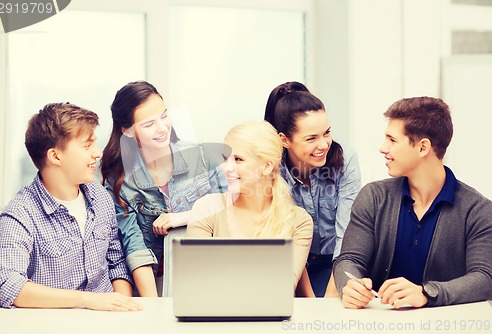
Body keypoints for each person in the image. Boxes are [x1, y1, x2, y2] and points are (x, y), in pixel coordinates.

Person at [333, 96, 492, 309]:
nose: (382, 148)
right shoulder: (373, 197)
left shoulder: (478, 211)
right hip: (377, 324)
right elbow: (349, 259)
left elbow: (484, 279)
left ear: (422, 147)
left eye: (392, 140)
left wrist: (427, 293)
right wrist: (350, 284)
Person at [0, 103, 141, 311]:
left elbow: (117, 264)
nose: (97, 153)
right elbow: (7, 286)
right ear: (55, 156)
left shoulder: (100, 197)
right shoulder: (20, 213)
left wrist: (120, 307)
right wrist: (88, 300)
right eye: (87, 146)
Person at [100, 81, 226, 296]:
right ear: (128, 131)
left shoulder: (202, 157)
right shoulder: (119, 181)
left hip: (210, 273)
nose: (162, 128)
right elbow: (134, 247)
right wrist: (153, 306)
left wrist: (185, 217)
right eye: (148, 124)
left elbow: (233, 207)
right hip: (155, 281)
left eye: (164, 116)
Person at [187, 121, 313, 289]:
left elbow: (283, 287)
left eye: (238, 159)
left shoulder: (299, 221)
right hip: (215, 312)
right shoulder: (207, 208)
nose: (226, 168)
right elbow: (200, 280)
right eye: (225, 159)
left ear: (267, 166)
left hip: (272, 313)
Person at [264, 82, 362, 297]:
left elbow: (348, 232)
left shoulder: (346, 160)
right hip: (293, 266)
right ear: (284, 140)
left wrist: (332, 292)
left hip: (337, 262)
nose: (323, 145)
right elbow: (284, 238)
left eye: (326, 133)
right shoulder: (271, 169)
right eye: (311, 138)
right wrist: (312, 301)